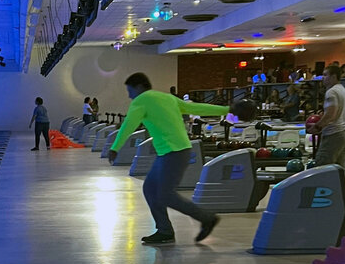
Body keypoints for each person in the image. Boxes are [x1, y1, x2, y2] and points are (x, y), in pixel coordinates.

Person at [108, 72, 255, 245]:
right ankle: (164, 230)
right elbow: (196, 108)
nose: (129, 95)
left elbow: (129, 125)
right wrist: (227, 109)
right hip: (174, 151)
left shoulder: (140, 101)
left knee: (165, 195)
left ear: (139, 87)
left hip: (173, 153)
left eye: (130, 90)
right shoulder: (167, 98)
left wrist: (115, 147)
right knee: (150, 189)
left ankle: (206, 218)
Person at [314, 64, 345, 169]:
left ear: (334, 76)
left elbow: (331, 115)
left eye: (325, 75)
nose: (323, 78)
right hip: (344, 134)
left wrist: (317, 126)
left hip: (333, 135)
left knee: (322, 169)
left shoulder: (331, 92)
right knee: (339, 171)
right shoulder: (344, 91)